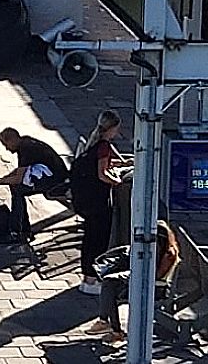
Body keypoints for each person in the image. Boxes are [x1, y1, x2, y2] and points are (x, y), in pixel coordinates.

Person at [90, 221, 182, 343]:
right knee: (110, 284)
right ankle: (109, 325)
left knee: (110, 286)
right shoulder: (163, 249)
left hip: (153, 287)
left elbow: (155, 275)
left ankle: (109, 326)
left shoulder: (167, 254)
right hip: (144, 279)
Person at [68, 110, 127, 293]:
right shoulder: (103, 146)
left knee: (89, 239)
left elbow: (100, 165)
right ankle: (92, 281)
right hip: (98, 203)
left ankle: (87, 279)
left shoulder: (94, 144)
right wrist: (117, 181)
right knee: (98, 240)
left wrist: (118, 164)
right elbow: (102, 174)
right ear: (112, 129)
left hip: (87, 202)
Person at [0, 127, 67, 241]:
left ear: (12, 140)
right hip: (51, 176)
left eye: (6, 144)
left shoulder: (27, 149)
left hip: (54, 181)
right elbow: (20, 170)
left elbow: (18, 178)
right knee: (16, 187)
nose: (7, 149)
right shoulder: (25, 144)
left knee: (17, 189)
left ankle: (19, 232)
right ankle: (22, 230)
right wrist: (2, 179)